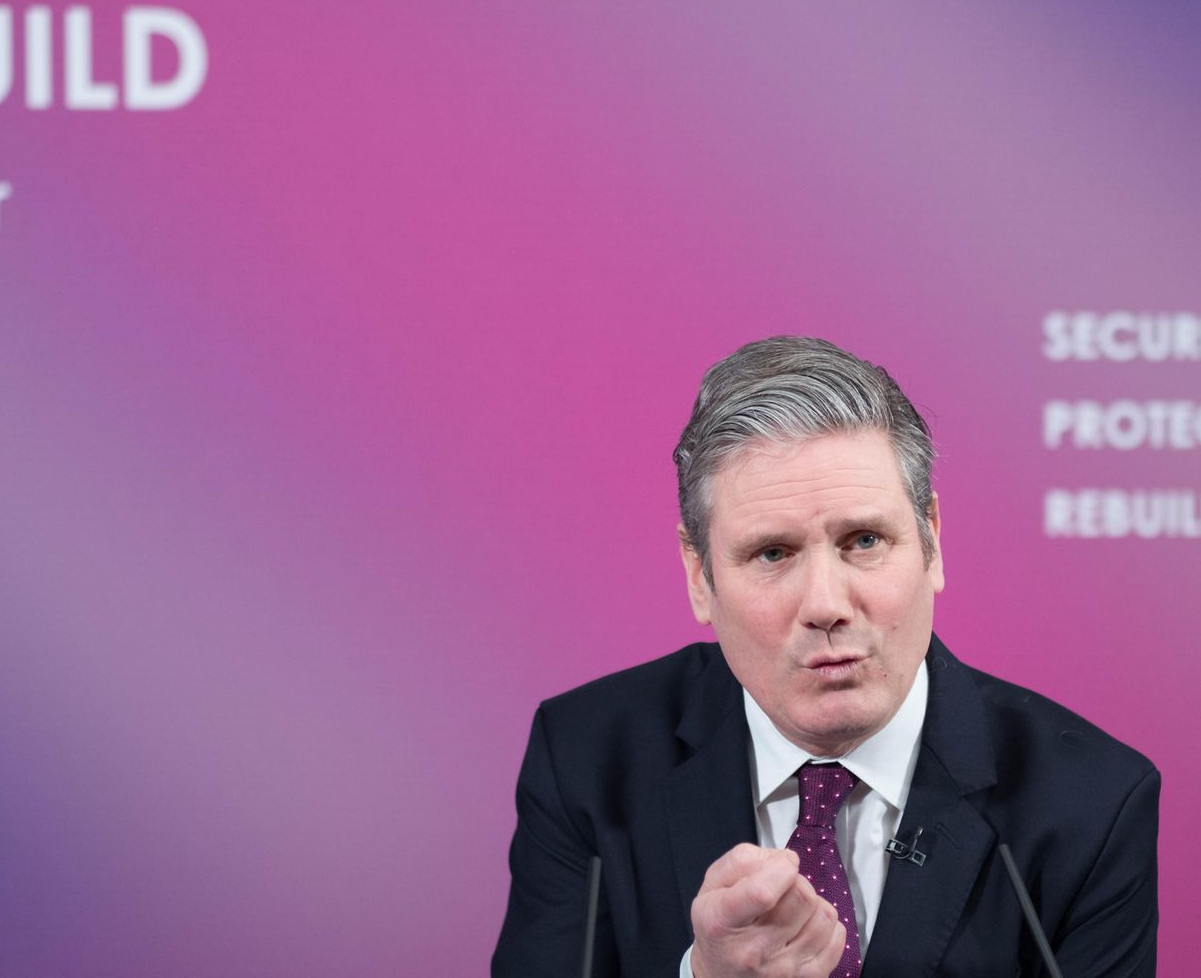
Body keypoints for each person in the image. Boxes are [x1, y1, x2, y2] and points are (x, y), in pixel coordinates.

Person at [492, 337, 1159, 977]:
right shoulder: (586, 759)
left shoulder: (1089, 801)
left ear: (931, 541)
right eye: (773, 554)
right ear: (701, 578)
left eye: (863, 540)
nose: (826, 604)